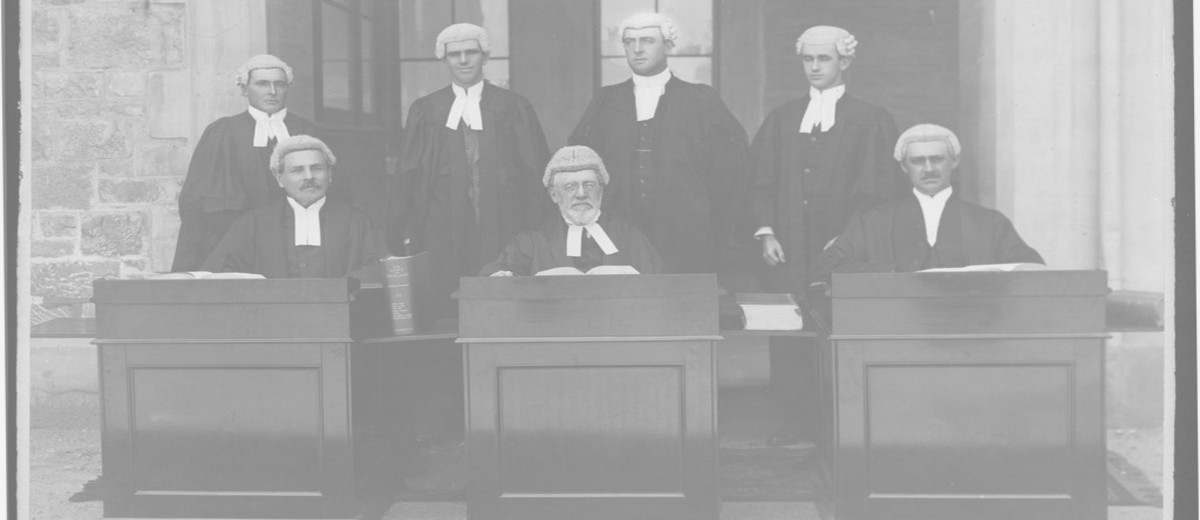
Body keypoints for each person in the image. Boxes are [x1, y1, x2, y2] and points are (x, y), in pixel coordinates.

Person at [749, 26, 899, 446]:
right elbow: (760, 180)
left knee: (839, 330)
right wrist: (766, 232)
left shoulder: (871, 119)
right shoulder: (782, 118)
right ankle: (795, 420)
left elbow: (877, 194)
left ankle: (842, 424)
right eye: (808, 60)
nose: (814, 67)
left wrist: (848, 242)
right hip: (789, 249)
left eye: (824, 59)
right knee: (790, 333)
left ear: (844, 62)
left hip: (844, 252)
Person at [390, 23, 550, 317]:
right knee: (446, 303)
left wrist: (537, 225)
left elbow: (533, 169)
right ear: (444, 59)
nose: (463, 60)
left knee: (502, 300)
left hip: (503, 220)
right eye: (455, 54)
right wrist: (401, 229)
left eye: (471, 52)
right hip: (442, 222)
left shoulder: (513, 106)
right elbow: (408, 174)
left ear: (484, 56)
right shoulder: (426, 109)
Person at [569, 12, 748, 274]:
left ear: (668, 46)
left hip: (686, 234)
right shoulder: (605, 101)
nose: (637, 49)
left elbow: (730, 172)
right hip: (620, 231)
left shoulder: (701, 100)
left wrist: (702, 215)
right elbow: (579, 161)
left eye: (647, 41)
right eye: (629, 42)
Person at [810, 123, 1044, 280]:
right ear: (904, 166)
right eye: (918, 161)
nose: (929, 169)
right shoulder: (873, 221)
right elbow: (827, 266)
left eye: (937, 159)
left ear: (954, 161)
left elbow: (1030, 268)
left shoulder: (989, 222)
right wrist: (889, 273)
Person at [173, 54, 320, 271]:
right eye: (262, 84)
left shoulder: (307, 131)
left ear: (287, 88)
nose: (272, 91)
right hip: (233, 246)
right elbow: (195, 201)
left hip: (293, 243)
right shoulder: (222, 132)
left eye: (279, 84)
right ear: (244, 89)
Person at [201, 135, 387, 281]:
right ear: (279, 178)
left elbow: (381, 268)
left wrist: (338, 289)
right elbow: (220, 272)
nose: (309, 177)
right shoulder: (254, 222)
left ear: (330, 174)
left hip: (339, 318)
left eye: (317, 168)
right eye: (297, 170)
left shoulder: (356, 221)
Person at [480, 146, 663, 276]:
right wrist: (502, 277)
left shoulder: (630, 235)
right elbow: (493, 276)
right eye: (570, 187)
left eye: (589, 185)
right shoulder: (532, 240)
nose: (581, 194)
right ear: (554, 195)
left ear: (601, 191)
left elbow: (661, 283)